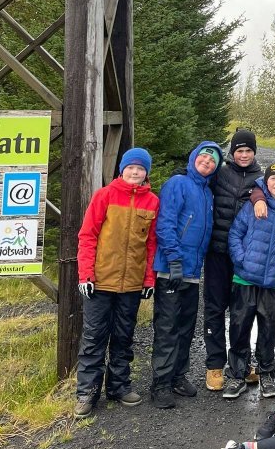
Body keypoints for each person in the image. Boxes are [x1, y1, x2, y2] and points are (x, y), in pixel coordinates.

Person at [74, 147, 159, 418]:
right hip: (100, 282)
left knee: (124, 337)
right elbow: (87, 235)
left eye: (140, 168)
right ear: (122, 170)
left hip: (131, 284)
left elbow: (151, 244)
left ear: (146, 173)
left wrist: (149, 279)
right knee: (94, 338)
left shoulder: (152, 202)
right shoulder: (105, 195)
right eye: (131, 167)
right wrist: (86, 274)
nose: (135, 172)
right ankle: (87, 392)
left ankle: (119, 386)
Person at [151, 142, 222, 408]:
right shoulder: (178, 183)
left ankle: (178, 376)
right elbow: (166, 223)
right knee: (167, 328)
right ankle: (160, 384)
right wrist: (173, 259)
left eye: (213, 161)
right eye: (204, 157)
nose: (207, 162)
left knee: (185, 327)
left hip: (192, 271)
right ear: (194, 158)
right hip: (172, 268)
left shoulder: (207, 192)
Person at [225, 161, 275, 400]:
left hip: (272, 282)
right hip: (245, 278)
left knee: (269, 328)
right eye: (273, 179)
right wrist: (241, 260)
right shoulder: (253, 205)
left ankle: (266, 372)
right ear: (266, 182)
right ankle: (237, 374)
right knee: (239, 327)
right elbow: (235, 234)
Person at [203, 128, 263, 392]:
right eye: (240, 151)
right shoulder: (220, 173)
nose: (244, 155)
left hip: (245, 256)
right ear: (232, 152)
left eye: (248, 150)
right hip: (217, 251)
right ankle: (214, 364)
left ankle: (241, 363)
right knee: (215, 308)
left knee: (243, 312)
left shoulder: (261, 178)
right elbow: (198, 178)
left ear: (254, 152)